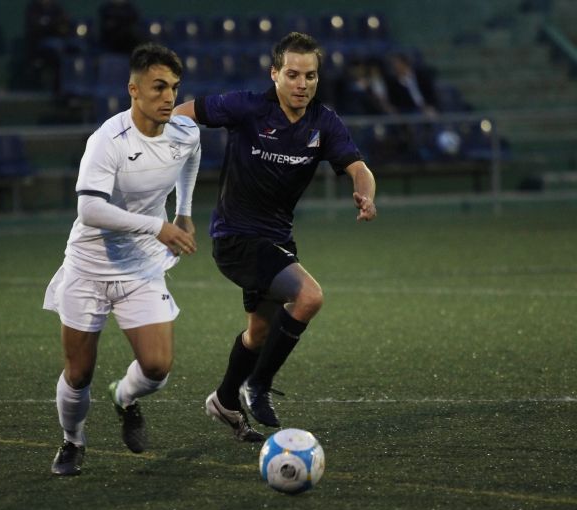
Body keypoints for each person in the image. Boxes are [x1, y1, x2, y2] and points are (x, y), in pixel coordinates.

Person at [173, 32, 377, 438]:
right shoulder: (247, 107)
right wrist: (170, 156)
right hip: (235, 238)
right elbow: (182, 112)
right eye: (293, 74)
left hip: (277, 239)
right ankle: (257, 384)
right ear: (275, 74)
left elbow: (357, 166)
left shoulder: (324, 121)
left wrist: (366, 195)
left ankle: (225, 401)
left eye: (311, 76)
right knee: (309, 296)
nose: (302, 84)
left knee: (259, 333)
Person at [44, 42, 200, 476]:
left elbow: (191, 159)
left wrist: (183, 212)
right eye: (158, 87)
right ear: (133, 90)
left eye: (173, 87)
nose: (168, 97)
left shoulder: (185, 132)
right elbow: (89, 210)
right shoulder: (106, 141)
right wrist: (159, 226)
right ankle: (72, 441)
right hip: (89, 267)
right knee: (78, 373)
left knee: (156, 367)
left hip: (141, 268)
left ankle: (124, 397)